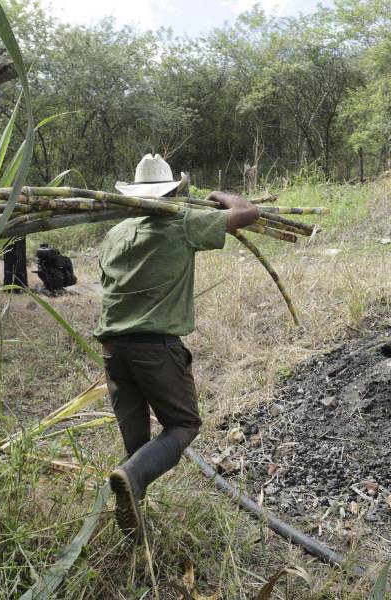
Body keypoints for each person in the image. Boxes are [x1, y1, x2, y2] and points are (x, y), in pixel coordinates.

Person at [94, 154, 258, 541]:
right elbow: (247, 212)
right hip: (154, 347)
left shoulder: (116, 234)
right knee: (183, 424)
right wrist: (217, 194)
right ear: (174, 191)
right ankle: (133, 479)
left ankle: (134, 528)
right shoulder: (182, 224)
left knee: (136, 444)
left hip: (112, 349)